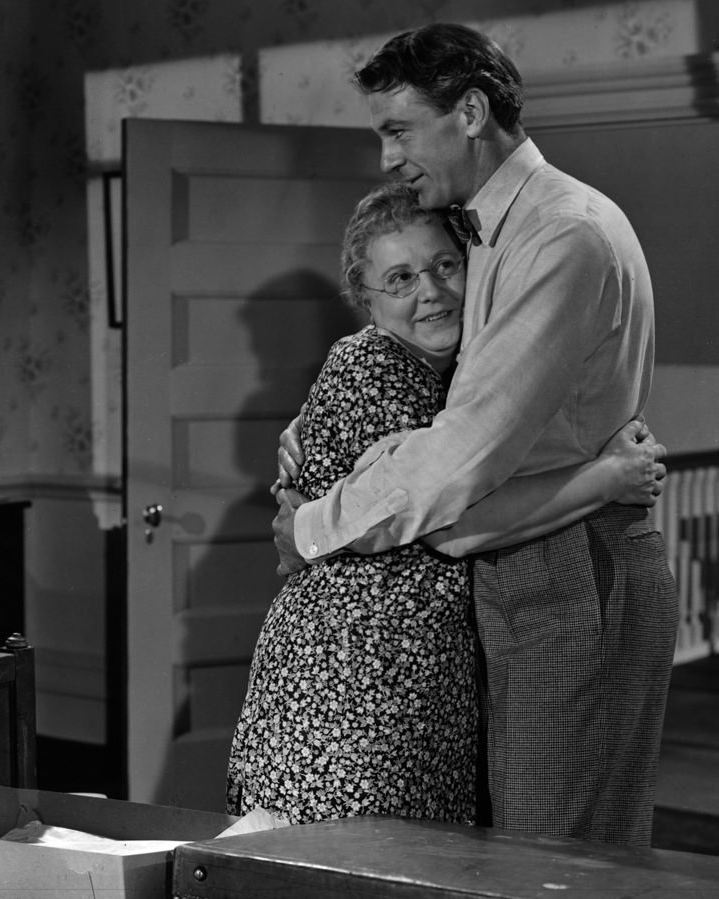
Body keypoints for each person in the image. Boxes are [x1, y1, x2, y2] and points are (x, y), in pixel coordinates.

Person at [272, 24, 678, 845]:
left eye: (399, 130)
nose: (388, 157)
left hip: (569, 568)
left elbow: (462, 452)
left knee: (550, 859)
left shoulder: (559, 236)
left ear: (469, 112)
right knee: (551, 850)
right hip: (531, 560)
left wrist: (310, 526)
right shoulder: (486, 228)